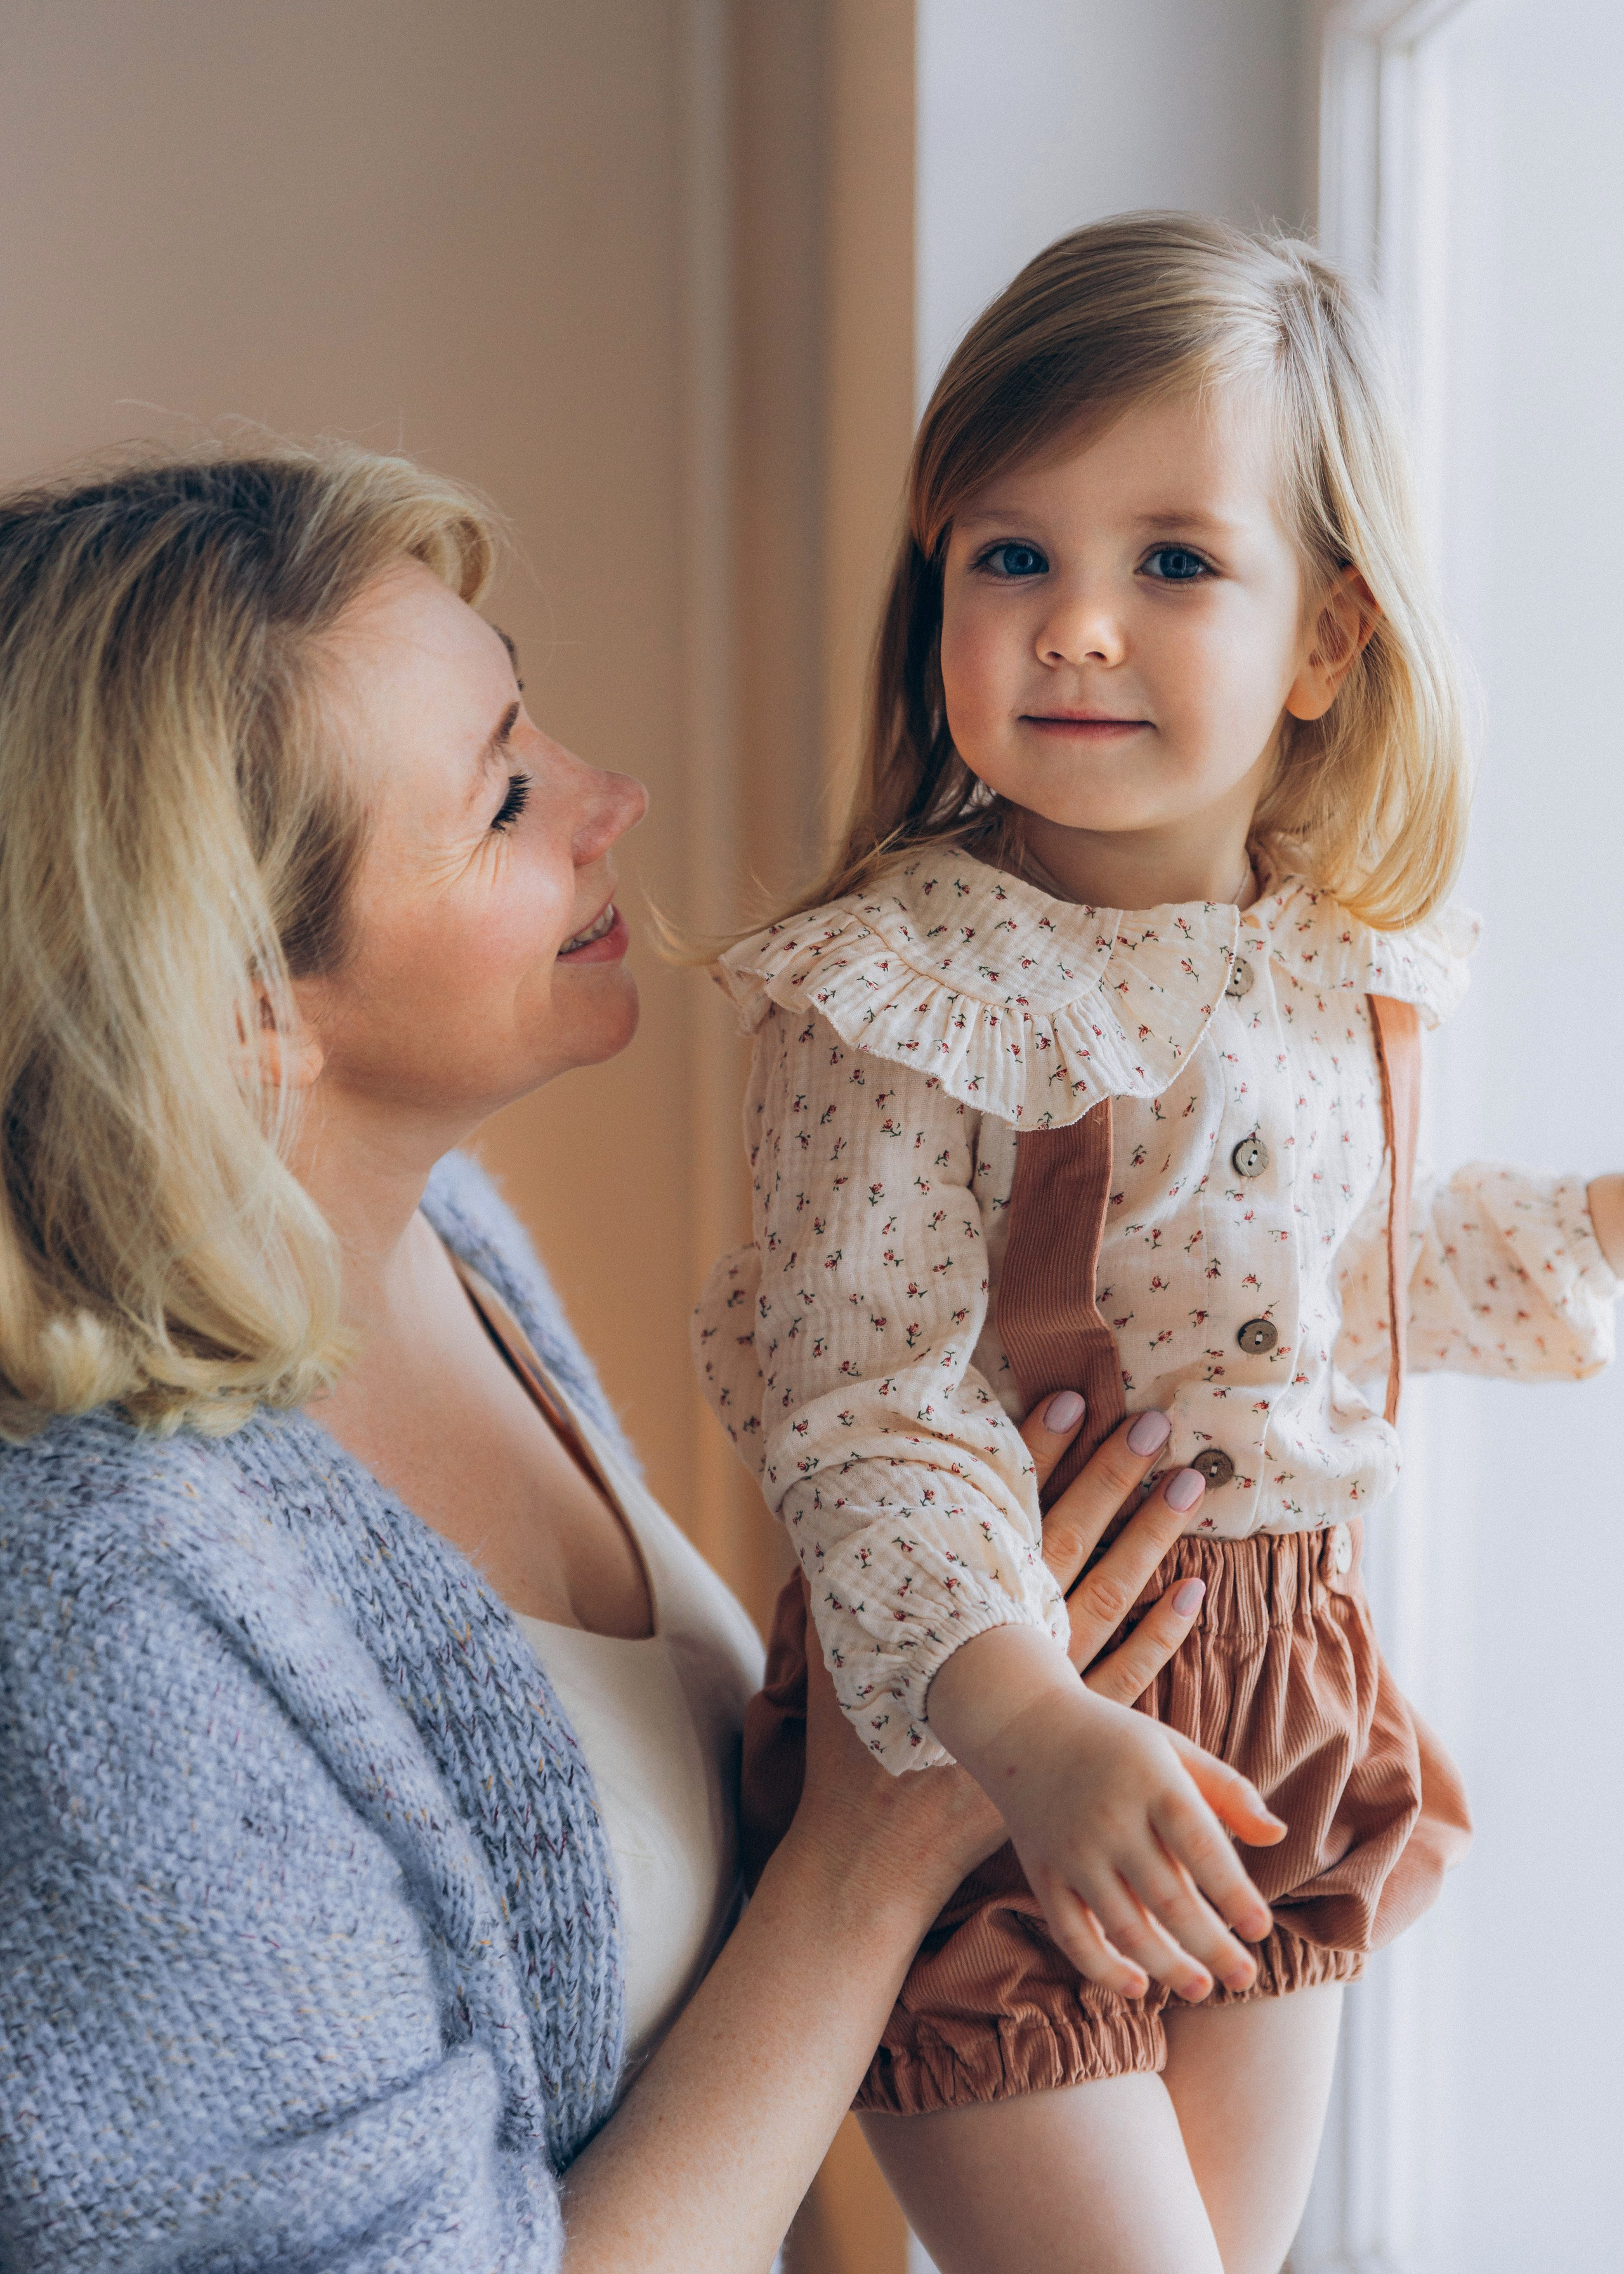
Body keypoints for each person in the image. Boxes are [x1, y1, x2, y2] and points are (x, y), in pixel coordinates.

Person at [0, 442, 1277, 2273]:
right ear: (246, 1011)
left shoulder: (438, 1236)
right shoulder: (102, 1614)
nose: (617, 797)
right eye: (507, 798)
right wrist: (877, 1844)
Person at [693, 211, 1624, 2274]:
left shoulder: (1333, 961)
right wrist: (1026, 1727)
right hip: (1006, 1702)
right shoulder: (904, 986)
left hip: (1291, 1693)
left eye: (1172, 562)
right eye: (1012, 554)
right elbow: (865, 1405)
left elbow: (1342, 1279)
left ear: (1328, 641)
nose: (1076, 625)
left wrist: (1592, 1228)